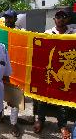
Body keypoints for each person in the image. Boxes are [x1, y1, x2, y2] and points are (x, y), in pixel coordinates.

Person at [33, 9, 75, 139]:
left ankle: (62, 125)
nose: (61, 18)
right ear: (54, 19)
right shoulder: (47, 34)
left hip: (65, 71)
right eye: (58, 16)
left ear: (68, 19)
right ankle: (40, 120)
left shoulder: (73, 34)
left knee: (63, 98)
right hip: (49, 69)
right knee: (43, 97)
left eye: (64, 16)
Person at [3, 8, 21, 137]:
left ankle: (13, 123)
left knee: (14, 99)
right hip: (2, 69)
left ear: (15, 19)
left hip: (16, 71)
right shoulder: (0, 32)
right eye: (6, 17)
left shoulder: (21, 33)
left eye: (10, 17)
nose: (7, 20)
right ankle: (1, 116)